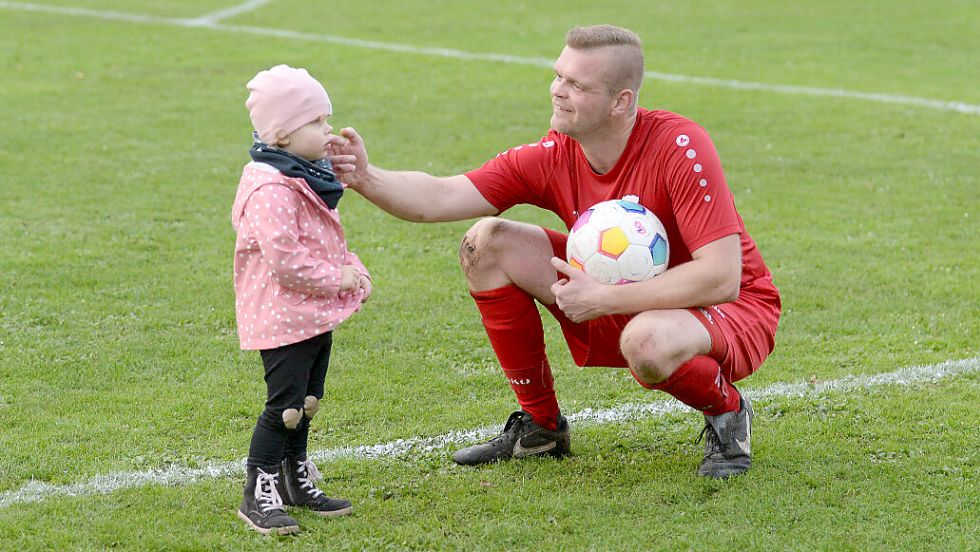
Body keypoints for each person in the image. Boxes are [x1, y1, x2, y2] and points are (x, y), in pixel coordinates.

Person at [328, 25, 780, 478]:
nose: (558, 91)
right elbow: (442, 196)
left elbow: (722, 277)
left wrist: (604, 300)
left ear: (621, 102)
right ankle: (541, 428)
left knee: (647, 341)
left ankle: (727, 412)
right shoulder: (556, 153)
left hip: (730, 307)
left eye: (577, 85)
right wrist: (366, 177)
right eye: (558, 76)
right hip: (620, 293)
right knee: (485, 244)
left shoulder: (679, 146)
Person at [232, 64, 372, 535]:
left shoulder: (301, 173)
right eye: (317, 122)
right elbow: (287, 262)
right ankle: (259, 490)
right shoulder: (271, 187)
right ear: (283, 134)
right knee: (284, 406)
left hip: (308, 311)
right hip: (282, 315)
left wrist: (354, 272)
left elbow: (324, 239)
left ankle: (295, 477)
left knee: (308, 401)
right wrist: (342, 278)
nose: (328, 128)